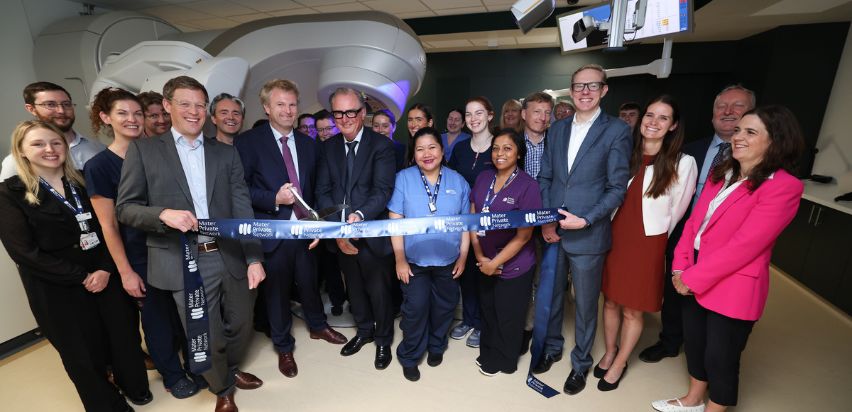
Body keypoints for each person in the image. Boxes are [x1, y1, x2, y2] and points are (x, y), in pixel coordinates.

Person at [115, 76, 266, 412]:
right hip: (184, 260)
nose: (194, 111)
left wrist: (254, 257)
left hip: (230, 254)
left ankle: (232, 367)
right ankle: (222, 386)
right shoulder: (144, 151)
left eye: (200, 104)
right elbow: (125, 209)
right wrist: (162, 214)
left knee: (242, 322)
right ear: (167, 106)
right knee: (205, 333)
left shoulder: (226, 154)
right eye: (185, 103)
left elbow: (243, 209)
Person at [652, 105, 805, 412]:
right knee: (695, 344)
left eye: (750, 132)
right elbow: (694, 222)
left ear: (776, 140)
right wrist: (680, 266)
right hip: (693, 268)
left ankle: (715, 408)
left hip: (733, 283)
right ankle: (693, 399)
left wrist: (691, 279)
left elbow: (745, 246)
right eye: (738, 130)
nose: (738, 137)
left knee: (720, 356)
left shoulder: (783, 186)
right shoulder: (721, 172)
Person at [0, 120, 149, 412]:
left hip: (105, 273)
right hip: (57, 287)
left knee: (124, 336)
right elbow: (24, 252)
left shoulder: (83, 180)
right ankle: (107, 404)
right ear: (21, 151)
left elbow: (110, 226)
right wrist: (82, 276)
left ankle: (135, 386)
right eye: (38, 144)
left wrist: (106, 268)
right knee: (81, 351)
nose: (50, 150)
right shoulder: (10, 194)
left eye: (55, 143)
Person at [85, 87, 202, 399]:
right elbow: (109, 225)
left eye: (137, 113)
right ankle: (172, 374)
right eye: (122, 113)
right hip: (138, 255)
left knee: (187, 313)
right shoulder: (99, 166)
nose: (132, 119)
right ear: (105, 118)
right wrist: (125, 271)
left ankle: (195, 365)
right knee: (157, 319)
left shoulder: (160, 151)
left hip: (176, 246)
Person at [235, 79, 348, 379]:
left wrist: (317, 226)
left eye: (292, 104)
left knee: (310, 282)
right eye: (280, 104)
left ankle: (318, 325)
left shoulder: (310, 145)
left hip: (307, 231)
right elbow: (240, 190)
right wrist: (273, 197)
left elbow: (318, 188)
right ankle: (283, 345)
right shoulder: (248, 143)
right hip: (273, 232)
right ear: (267, 107)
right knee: (277, 291)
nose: (287, 110)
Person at [639, 85, 757, 363]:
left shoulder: (757, 161)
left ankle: (707, 350)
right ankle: (670, 341)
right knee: (674, 288)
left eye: (737, 106)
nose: (727, 112)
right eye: (721, 107)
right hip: (683, 233)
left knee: (715, 292)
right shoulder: (690, 150)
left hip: (728, 243)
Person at [536, 64, 632, 395]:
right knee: (551, 295)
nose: (585, 91)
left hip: (588, 234)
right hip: (554, 230)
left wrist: (587, 219)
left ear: (604, 90)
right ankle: (551, 348)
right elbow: (546, 177)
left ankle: (580, 364)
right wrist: (548, 218)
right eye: (579, 86)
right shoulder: (558, 129)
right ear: (571, 91)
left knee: (586, 305)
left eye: (593, 86)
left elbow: (617, 187)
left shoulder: (617, 130)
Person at [596, 95, 697, 391]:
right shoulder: (625, 153)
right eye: (650, 115)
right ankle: (610, 349)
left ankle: (620, 361)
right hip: (614, 235)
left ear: (673, 125)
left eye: (663, 118)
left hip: (648, 242)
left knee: (633, 309)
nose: (653, 122)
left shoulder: (683, 162)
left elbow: (677, 211)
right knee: (611, 300)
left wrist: (655, 242)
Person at [316, 87, 397, 370]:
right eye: (339, 112)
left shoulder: (381, 146)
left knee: (378, 290)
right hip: (340, 234)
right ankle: (364, 331)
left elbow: (382, 190)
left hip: (370, 232)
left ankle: (384, 339)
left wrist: (359, 216)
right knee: (355, 289)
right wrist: (339, 228)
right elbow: (323, 191)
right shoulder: (327, 147)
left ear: (362, 113)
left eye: (351, 111)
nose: (345, 118)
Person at [388, 127, 471, 382]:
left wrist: (463, 256)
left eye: (432, 147)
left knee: (444, 308)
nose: (427, 154)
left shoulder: (458, 181)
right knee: (415, 310)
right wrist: (399, 258)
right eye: (420, 148)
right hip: (413, 262)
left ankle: (436, 346)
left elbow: (466, 223)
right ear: (413, 154)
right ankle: (410, 355)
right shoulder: (403, 178)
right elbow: (395, 220)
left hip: (448, 260)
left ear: (442, 150)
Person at [469, 128, 541, 376]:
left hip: (514, 263)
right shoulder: (483, 177)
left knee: (508, 315)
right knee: (488, 310)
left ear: (519, 153)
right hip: (484, 258)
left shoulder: (528, 186)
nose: (500, 153)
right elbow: (473, 217)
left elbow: (524, 236)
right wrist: (480, 256)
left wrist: (495, 262)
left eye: (508, 148)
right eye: (496, 148)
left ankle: (506, 361)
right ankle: (488, 352)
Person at [447, 96, 497, 349]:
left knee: (486, 271)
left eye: (479, 113)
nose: (473, 119)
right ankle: (468, 318)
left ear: (490, 115)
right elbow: (451, 181)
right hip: (463, 220)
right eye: (468, 114)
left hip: (491, 222)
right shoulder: (460, 149)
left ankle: (483, 324)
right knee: (465, 272)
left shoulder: (499, 146)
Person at [1, 82, 105, 182]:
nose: (61, 111)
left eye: (66, 104)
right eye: (50, 104)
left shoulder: (99, 149)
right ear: (31, 109)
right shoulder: (16, 162)